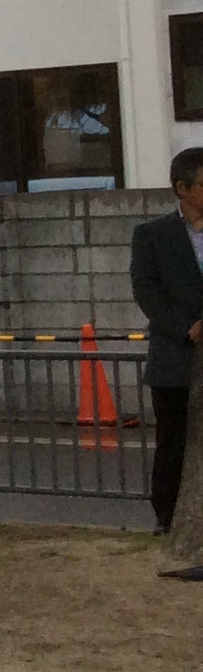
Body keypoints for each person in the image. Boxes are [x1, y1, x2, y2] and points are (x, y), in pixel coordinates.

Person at [130, 144, 203, 536]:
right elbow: (146, 291)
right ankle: (168, 516)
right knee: (173, 440)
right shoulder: (152, 236)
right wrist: (185, 326)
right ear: (182, 188)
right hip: (175, 357)